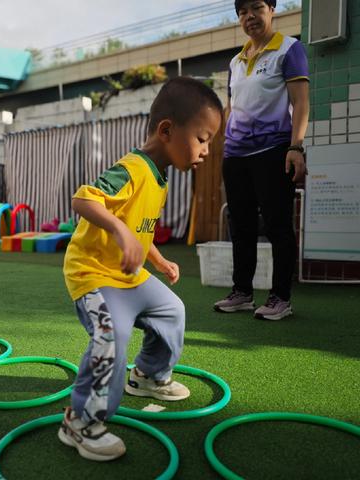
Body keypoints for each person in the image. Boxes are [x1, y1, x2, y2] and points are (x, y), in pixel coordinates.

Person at [59, 77, 223, 461]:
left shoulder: (159, 177)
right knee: (109, 337)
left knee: (172, 310)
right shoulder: (132, 168)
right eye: (202, 138)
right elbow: (83, 200)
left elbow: (139, 229)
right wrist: (117, 229)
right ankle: (79, 422)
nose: (206, 151)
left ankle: (147, 376)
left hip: (129, 274)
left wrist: (158, 259)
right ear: (167, 130)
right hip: (94, 274)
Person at [214, 0, 309, 320]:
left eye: (256, 7)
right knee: (239, 226)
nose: (249, 17)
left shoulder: (289, 49)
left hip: (273, 151)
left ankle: (281, 297)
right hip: (236, 154)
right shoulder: (235, 61)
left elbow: (301, 102)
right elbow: (233, 107)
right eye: (242, 12)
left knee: (278, 225)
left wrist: (296, 147)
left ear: (271, 8)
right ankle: (242, 292)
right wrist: (226, 148)